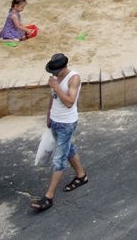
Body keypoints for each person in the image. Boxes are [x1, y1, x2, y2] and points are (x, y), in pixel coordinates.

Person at [31, 53, 87, 212]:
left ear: (63, 68)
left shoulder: (73, 78)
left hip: (66, 123)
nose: (53, 74)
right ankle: (81, 175)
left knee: (59, 159)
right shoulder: (56, 79)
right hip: (55, 121)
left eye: (55, 70)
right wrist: (49, 115)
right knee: (69, 149)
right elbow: (53, 97)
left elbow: (69, 102)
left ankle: (48, 196)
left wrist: (56, 87)